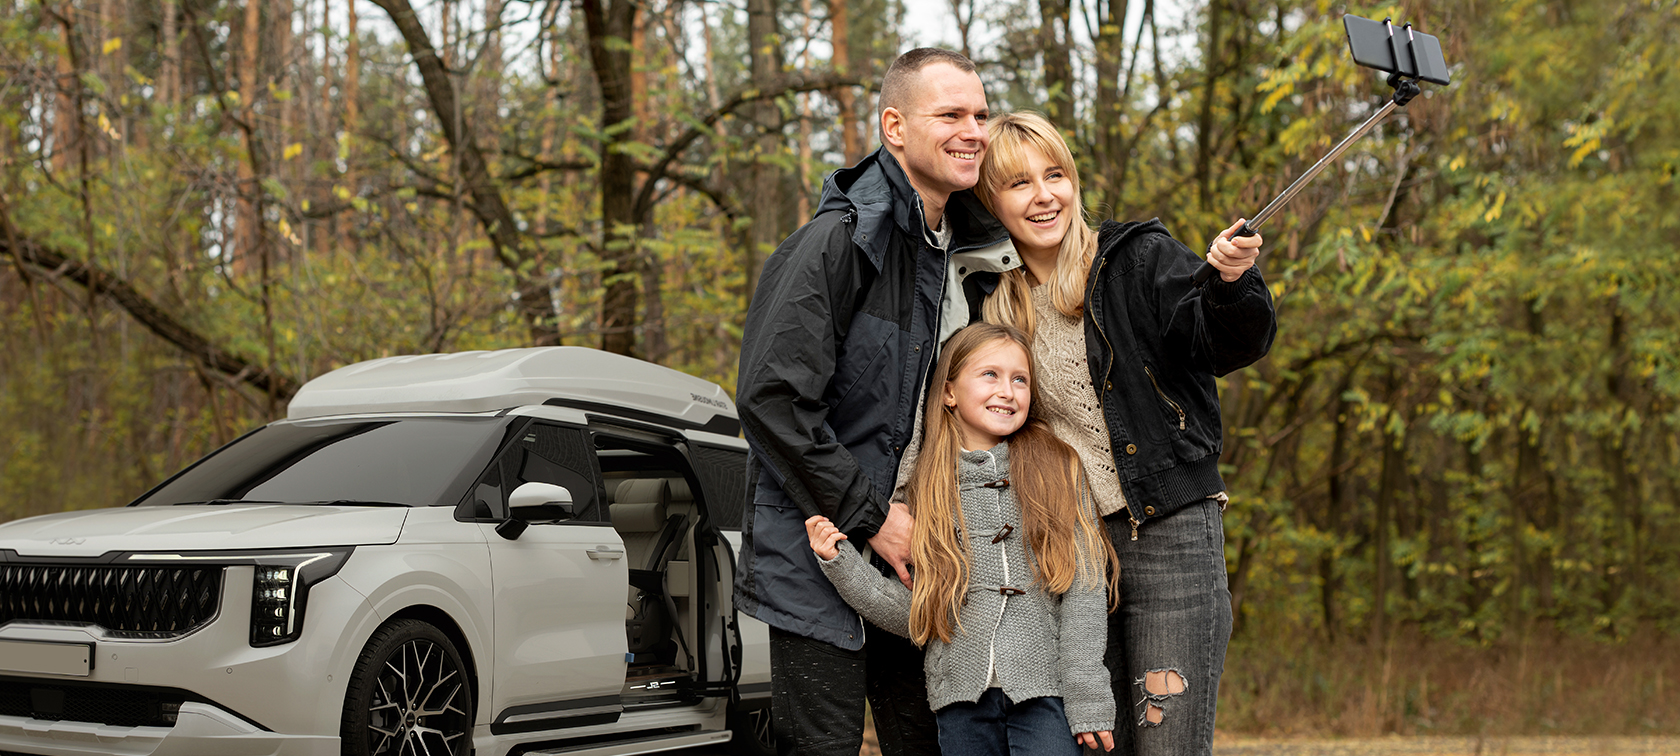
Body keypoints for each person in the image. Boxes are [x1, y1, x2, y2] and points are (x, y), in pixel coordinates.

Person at [733, 48, 1017, 756]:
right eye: (950, 114)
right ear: (894, 126)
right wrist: (871, 518)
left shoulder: (977, 257)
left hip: (925, 558)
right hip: (817, 557)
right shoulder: (834, 244)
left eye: (981, 114)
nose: (973, 130)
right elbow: (770, 400)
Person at [971, 112, 1277, 755]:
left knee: (1167, 741)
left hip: (1169, 530)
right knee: (1090, 742)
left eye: (1055, 174)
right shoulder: (992, 301)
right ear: (991, 201)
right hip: (1072, 546)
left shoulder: (1134, 259)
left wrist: (1230, 282)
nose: (1044, 194)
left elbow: (1219, 338)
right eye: (1020, 183)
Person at [805, 322, 1119, 756]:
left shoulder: (1058, 469)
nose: (1007, 391)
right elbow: (915, 612)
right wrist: (842, 564)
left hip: (1047, 692)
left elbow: (1084, 591)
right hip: (960, 700)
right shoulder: (926, 487)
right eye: (990, 374)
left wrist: (1088, 699)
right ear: (949, 391)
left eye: (1020, 379)